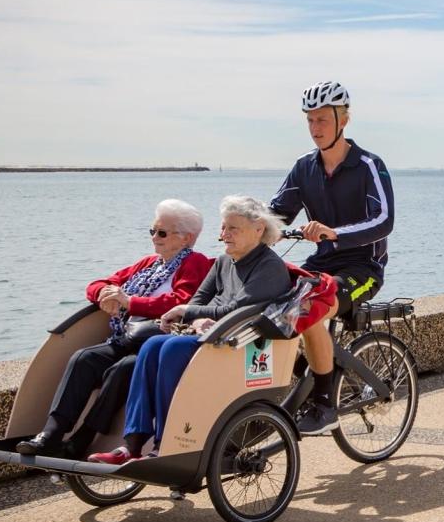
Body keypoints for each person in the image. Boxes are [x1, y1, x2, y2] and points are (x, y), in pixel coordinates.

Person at [89, 196, 291, 465]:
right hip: (211, 334)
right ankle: (132, 443)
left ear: (258, 230)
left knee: (171, 347)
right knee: (151, 347)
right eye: (223, 227)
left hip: (237, 341)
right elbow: (197, 300)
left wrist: (191, 314)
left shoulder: (269, 266)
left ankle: (164, 444)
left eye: (233, 229)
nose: (224, 234)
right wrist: (196, 318)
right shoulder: (222, 262)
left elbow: (237, 308)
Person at [16, 200, 211, 457]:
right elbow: (96, 284)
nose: (155, 237)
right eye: (152, 231)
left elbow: (181, 301)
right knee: (84, 358)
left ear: (186, 238)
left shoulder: (195, 263)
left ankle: (83, 438)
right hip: (125, 336)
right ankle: (52, 432)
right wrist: (106, 295)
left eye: (162, 233)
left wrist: (130, 301)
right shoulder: (149, 264)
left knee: (122, 370)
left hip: (157, 343)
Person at [270, 80, 394, 435]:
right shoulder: (304, 167)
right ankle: (298, 380)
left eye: (323, 120)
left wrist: (333, 233)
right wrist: (246, 228)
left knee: (309, 309)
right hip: (321, 265)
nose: (315, 129)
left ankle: (325, 404)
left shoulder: (369, 165)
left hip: (363, 268)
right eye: (310, 121)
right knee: (271, 302)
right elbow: (278, 213)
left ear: (344, 119)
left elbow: (384, 221)